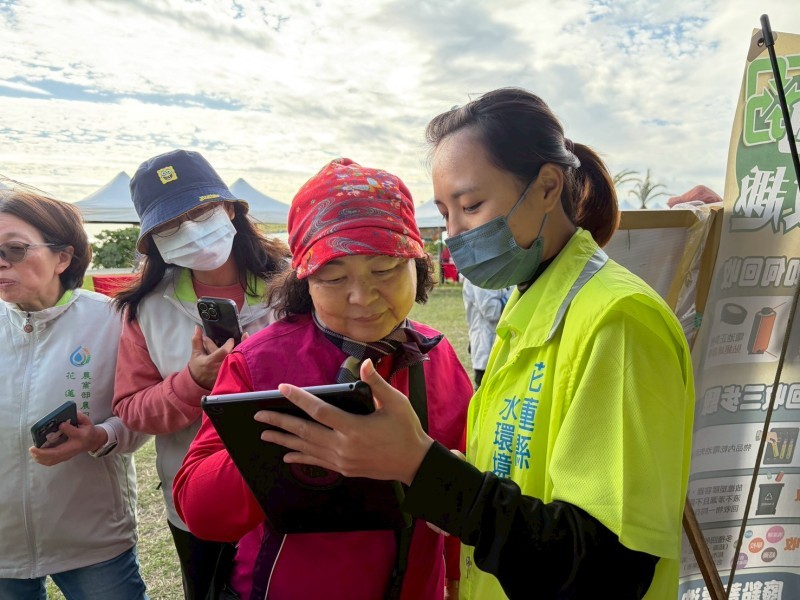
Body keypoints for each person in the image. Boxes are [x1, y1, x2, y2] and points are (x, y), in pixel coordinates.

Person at [249, 89, 695, 599]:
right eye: (445, 211)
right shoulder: (530, 310)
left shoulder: (618, 323)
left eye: (471, 205)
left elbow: (607, 571)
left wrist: (424, 470)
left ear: (548, 186)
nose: (455, 234)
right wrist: (454, 484)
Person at [173, 158, 472, 600]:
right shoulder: (259, 363)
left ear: (418, 264)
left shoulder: (436, 355)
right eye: (332, 276)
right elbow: (199, 510)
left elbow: (464, 483)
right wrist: (276, 453)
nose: (362, 296)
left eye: (386, 270)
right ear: (305, 281)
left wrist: (453, 572)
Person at [112, 150, 290, 600]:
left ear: (230, 209)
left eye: (201, 212)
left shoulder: (296, 286)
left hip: (290, 485)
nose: (191, 231)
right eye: (170, 225)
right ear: (154, 240)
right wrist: (192, 383)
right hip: (198, 497)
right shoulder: (146, 309)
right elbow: (132, 410)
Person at [0, 187, 149, 599]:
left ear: (62, 257)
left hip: (91, 538)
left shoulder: (113, 320)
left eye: (14, 248)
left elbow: (140, 417)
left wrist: (100, 437)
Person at [461, 278, 510, 387]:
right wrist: (516, 294)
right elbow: (492, 310)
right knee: (485, 390)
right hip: (485, 343)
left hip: (497, 342)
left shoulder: (497, 272)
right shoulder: (479, 277)